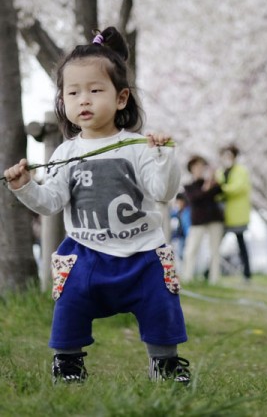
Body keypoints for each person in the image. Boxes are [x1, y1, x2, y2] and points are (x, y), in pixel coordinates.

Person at [3, 26, 190, 385]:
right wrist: (24, 186)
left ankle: (165, 363)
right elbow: (50, 202)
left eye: (94, 90)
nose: (83, 100)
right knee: (70, 303)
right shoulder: (67, 153)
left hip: (143, 252)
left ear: (121, 99)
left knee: (161, 304)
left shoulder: (138, 146)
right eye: (73, 93)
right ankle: (68, 362)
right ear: (63, 101)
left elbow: (162, 191)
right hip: (87, 252)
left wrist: (164, 157)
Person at [182, 156, 224, 284]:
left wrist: (213, 179)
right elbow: (195, 198)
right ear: (191, 169)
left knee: (215, 250)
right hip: (198, 221)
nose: (199, 169)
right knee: (191, 249)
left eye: (202, 166)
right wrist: (206, 187)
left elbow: (219, 191)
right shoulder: (189, 186)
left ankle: (214, 279)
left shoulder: (211, 183)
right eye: (196, 167)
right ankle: (187, 277)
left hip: (214, 219)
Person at [216, 145, 252, 281]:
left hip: (237, 215)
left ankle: (247, 273)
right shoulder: (220, 171)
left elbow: (239, 187)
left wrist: (223, 189)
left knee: (241, 243)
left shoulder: (241, 171)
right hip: (222, 214)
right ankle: (209, 272)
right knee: (216, 244)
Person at [170, 192, 191, 264]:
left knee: (186, 253)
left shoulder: (188, 211)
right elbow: (170, 214)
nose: (178, 204)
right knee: (180, 254)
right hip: (181, 235)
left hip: (187, 235)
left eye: (179, 202)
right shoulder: (178, 212)